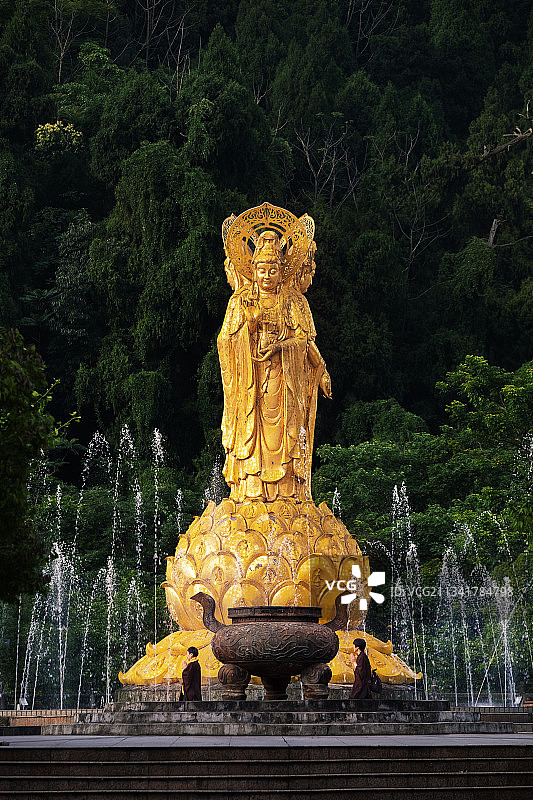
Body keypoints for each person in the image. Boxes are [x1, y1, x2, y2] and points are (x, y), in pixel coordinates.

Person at [218, 220, 331, 503]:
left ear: (283, 271)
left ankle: (289, 494)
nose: (267, 276)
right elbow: (224, 342)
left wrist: (321, 368)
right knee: (250, 433)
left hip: (285, 385)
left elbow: (305, 342)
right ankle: (249, 491)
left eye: (273, 270)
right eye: (261, 269)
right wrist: (250, 327)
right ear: (252, 270)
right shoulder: (240, 301)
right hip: (251, 384)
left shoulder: (294, 302)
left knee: (290, 433)